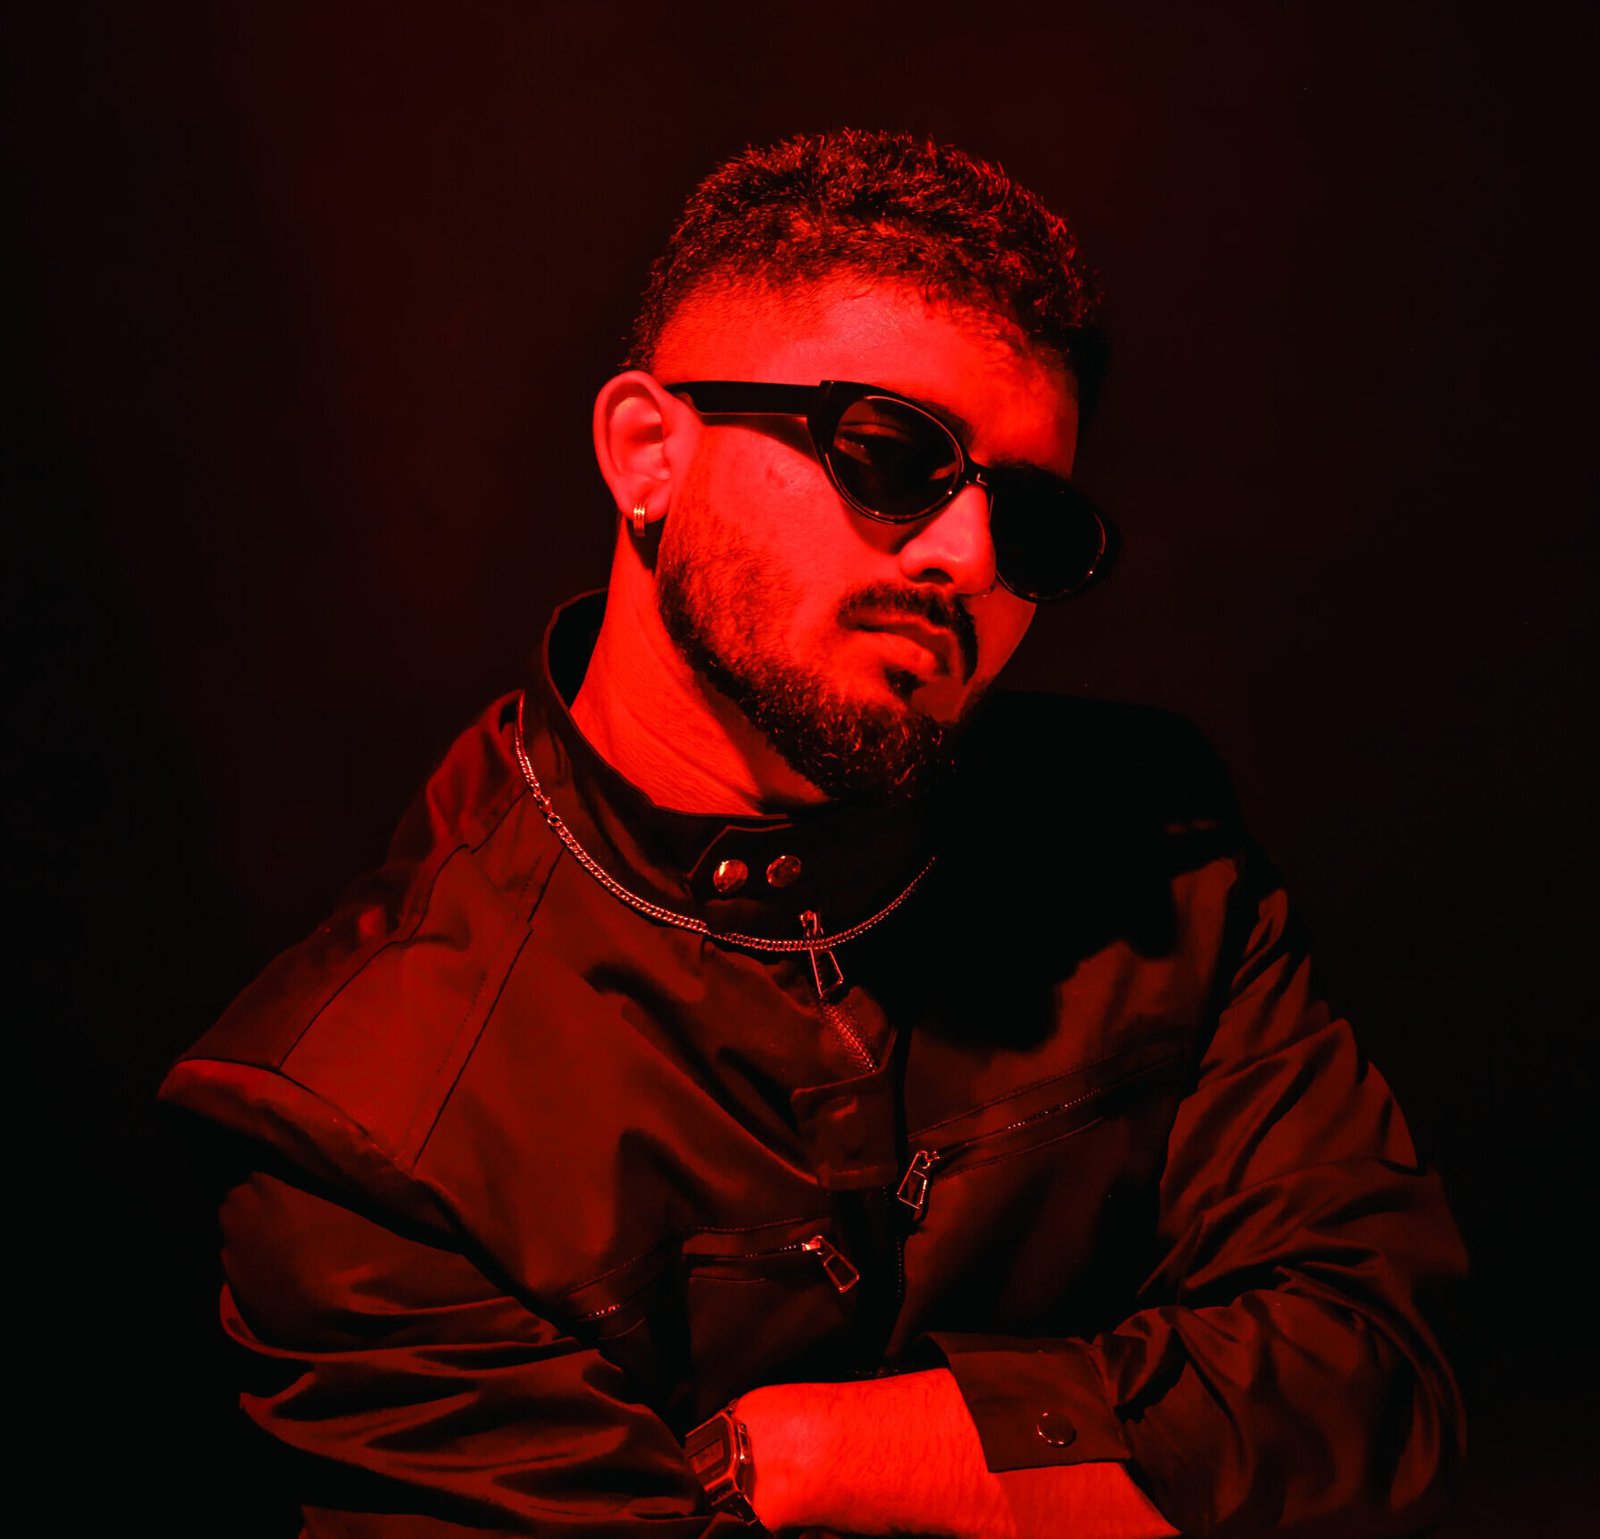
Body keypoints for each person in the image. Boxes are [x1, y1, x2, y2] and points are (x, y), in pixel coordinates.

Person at [161, 129, 1466, 1537]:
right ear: (648, 453)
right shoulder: (366, 1123)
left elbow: (1371, 1379)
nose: (969, 558)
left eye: (1031, 523)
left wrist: (819, 1455)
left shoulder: (1154, 845)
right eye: (891, 453)